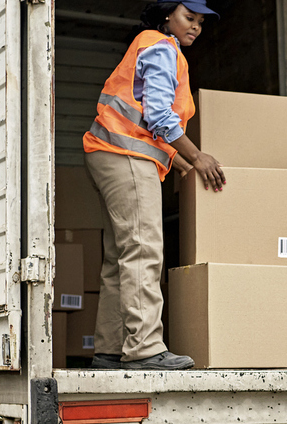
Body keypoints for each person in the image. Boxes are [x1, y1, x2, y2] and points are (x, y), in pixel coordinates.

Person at [82, 0, 225, 370]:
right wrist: (196, 157)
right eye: (188, 18)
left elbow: (146, 124)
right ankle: (145, 349)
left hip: (110, 154)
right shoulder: (161, 48)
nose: (195, 27)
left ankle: (111, 350)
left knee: (120, 257)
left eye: (200, 22)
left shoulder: (149, 46)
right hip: (125, 157)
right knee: (143, 250)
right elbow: (159, 115)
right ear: (167, 15)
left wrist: (175, 161)